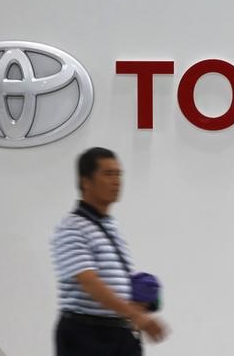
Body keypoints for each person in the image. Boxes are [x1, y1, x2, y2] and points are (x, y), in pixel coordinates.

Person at [51, 147, 167, 356]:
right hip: (86, 335)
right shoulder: (71, 227)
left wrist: (136, 304)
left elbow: (108, 279)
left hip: (117, 332)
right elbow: (89, 282)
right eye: (108, 174)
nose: (116, 181)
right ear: (86, 181)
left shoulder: (109, 225)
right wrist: (134, 314)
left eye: (118, 174)